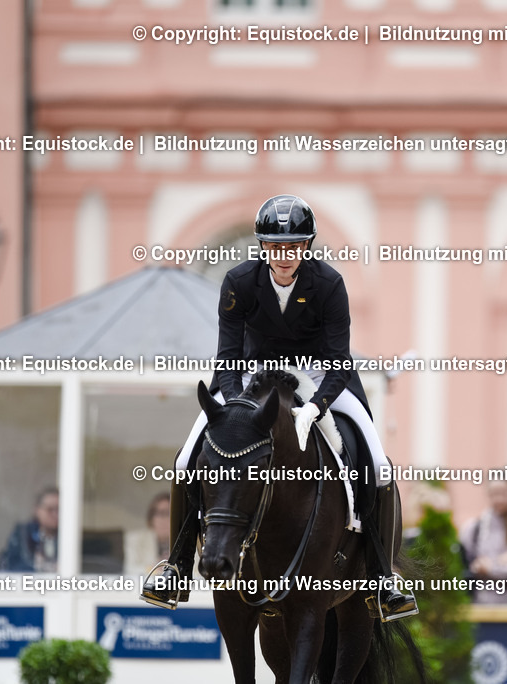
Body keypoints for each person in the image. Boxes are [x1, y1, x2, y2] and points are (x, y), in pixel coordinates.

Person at [141, 195, 417, 621]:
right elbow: (228, 356)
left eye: (293, 246)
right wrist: (236, 404)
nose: (284, 255)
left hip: (321, 376)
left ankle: (382, 577)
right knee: (184, 461)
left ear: (306, 246)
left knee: (378, 465)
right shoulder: (238, 281)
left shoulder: (329, 284)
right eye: (274, 246)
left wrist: (316, 408)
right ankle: (176, 567)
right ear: (262, 246)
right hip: (253, 376)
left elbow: (339, 360)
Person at [459, 481, 507, 604]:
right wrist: (481, 566)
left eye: (502, 493)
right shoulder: (475, 529)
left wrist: (491, 568)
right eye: (494, 494)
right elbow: (467, 567)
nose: (499, 499)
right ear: (488, 495)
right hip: (485, 605)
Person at [0, 487, 59, 573]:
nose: (55, 514)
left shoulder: (70, 538)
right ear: (37, 510)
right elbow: (15, 566)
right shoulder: (23, 534)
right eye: (50, 509)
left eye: (59, 510)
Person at [125, 492, 171, 575]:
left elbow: (194, 570)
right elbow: (130, 568)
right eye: (161, 513)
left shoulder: (188, 542)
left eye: (169, 513)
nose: (164, 519)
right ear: (151, 518)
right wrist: (155, 569)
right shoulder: (135, 539)